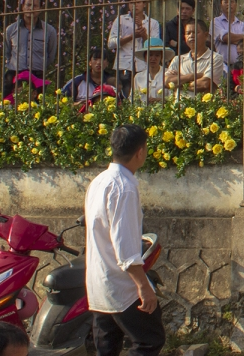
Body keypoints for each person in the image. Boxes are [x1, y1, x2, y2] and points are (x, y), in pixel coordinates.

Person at [85, 125, 164, 356]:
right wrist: (143, 287)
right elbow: (126, 247)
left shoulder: (99, 181)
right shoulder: (124, 188)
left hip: (99, 282)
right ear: (140, 152)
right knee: (150, 340)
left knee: (106, 349)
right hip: (122, 286)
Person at [3, 0, 58, 97]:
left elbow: (51, 55)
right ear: (22, 6)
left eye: (35, 6)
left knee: (36, 108)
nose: (31, 8)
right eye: (28, 5)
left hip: (37, 74)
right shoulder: (11, 29)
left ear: (41, 8)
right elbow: (7, 52)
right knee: (9, 106)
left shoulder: (49, 31)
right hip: (14, 73)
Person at [107, 0, 160, 98]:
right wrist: (132, 36)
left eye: (138, 3)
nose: (134, 6)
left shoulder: (153, 23)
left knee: (143, 94)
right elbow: (111, 43)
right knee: (125, 95)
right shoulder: (121, 20)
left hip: (143, 65)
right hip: (124, 65)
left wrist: (144, 34)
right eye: (131, 3)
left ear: (144, 4)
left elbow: (155, 46)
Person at [165, 20, 226, 97]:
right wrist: (193, 76)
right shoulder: (178, 59)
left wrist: (177, 82)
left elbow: (204, 84)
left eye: (195, 32)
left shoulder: (215, 58)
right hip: (179, 107)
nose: (191, 36)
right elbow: (166, 82)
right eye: (188, 33)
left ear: (206, 35)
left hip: (202, 107)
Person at [132, 39, 172, 103]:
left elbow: (173, 97)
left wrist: (159, 100)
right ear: (145, 57)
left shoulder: (168, 74)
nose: (153, 58)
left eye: (157, 55)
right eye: (150, 55)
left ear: (161, 58)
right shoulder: (138, 77)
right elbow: (133, 98)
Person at [212, 0, 244, 68]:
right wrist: (242, 38)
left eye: (232, 2)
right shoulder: (215, 22)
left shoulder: (242, 24)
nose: (229, 4)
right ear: (221, 5)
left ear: (236, 5)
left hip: (240, 66)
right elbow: (226, 38)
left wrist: (236, 39)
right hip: (223, 65)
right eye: (226, 2)